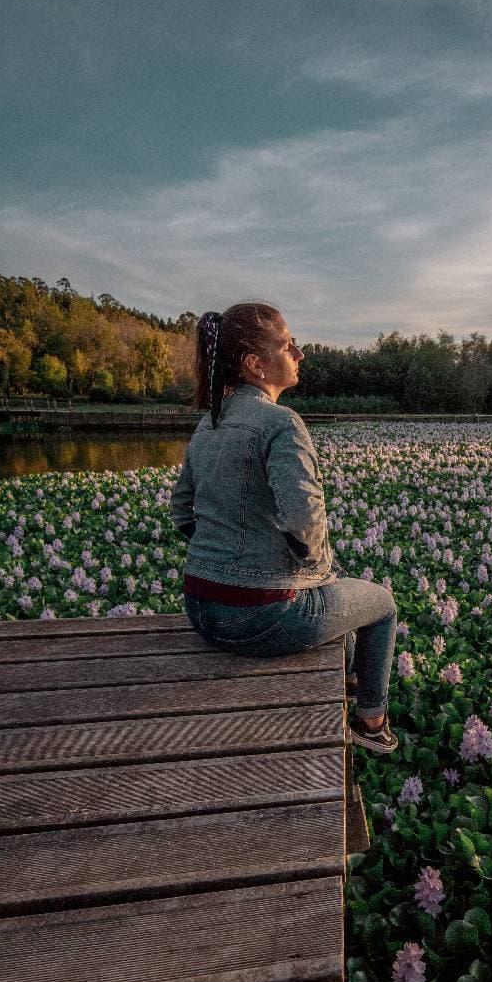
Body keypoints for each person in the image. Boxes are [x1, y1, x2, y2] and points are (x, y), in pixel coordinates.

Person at [170, 301, 399, 753]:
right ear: (255, 364)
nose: (299, 352)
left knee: (332, 594)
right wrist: (316, 570)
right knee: (383, 604)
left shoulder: (207, 424)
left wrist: (226, 557)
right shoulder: (282, 423)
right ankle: (371, 720)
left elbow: (182, 513)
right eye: (287, 344)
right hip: (260, 620)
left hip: (200, 610)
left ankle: (349, 680)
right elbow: (303, 524)